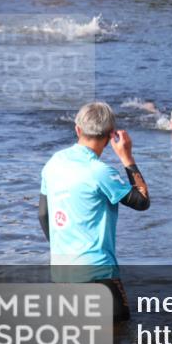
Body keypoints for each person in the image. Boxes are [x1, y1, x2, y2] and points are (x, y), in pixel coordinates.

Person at [39, 102, 150, 322]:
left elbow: (43, 214)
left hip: (62, 272)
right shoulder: (101, 172)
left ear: (77, 129)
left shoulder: (53, 163)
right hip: (97, 273)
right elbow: (142, 201)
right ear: (111, 136)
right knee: (119, 338)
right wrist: (127, 157)